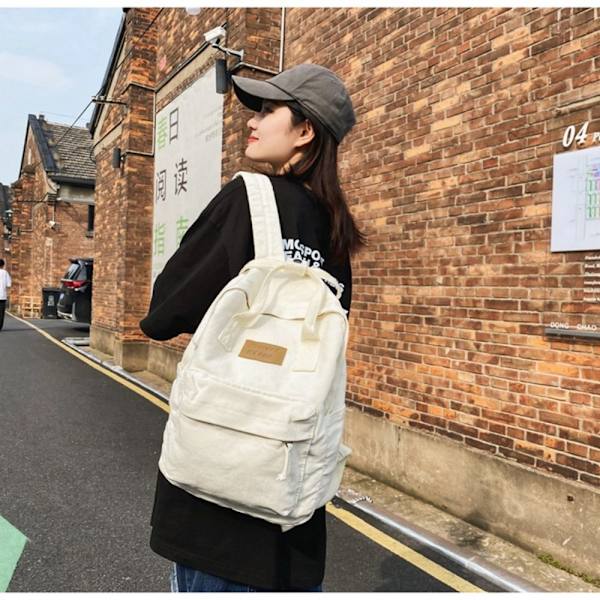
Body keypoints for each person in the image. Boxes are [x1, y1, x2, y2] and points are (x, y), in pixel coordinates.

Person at [140, 63, 365, 592]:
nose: (252, 121)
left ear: (305, 130)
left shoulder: (249, 198)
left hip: (217, 508)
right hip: (291, 503)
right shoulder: (336, 230)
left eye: (267, 110)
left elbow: (164, 313)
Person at [0, 258, 11, 331]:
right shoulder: (5, 273)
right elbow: (9, 284)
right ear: (3, 265)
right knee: (1, 313)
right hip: (2, 296)